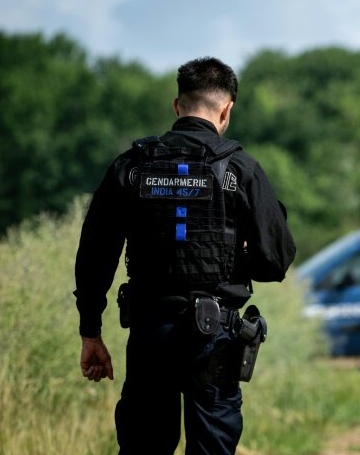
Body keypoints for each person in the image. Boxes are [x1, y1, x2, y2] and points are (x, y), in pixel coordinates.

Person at [73, 56, 296, 454]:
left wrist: (90, 331)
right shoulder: (239, 168)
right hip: (215, 336)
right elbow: (276, 260)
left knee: (144, 446)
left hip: (149, 333)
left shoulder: (132, 166)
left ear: (177, 106)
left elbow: (95, 254)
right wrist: (238, 256)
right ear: (227, 110)